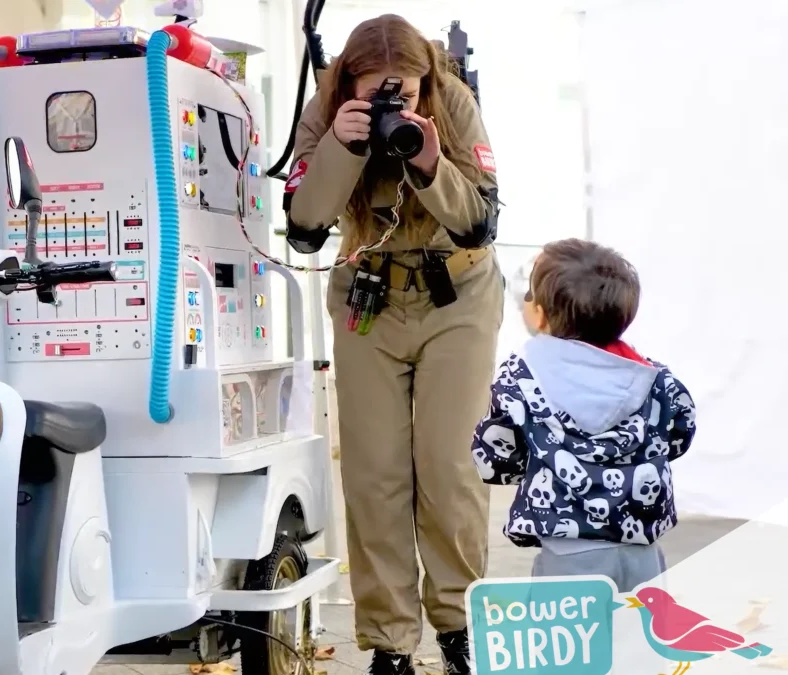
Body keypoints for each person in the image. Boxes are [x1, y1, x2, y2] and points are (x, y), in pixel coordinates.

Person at [282, 14, 504, 675]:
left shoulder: (452, 100)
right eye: (376, 93)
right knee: (374, 475)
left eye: (401, 94)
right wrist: (340, 150)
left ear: (425, 80)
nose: (390, 107)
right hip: (368, 300)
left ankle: (460, 624)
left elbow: (478, 223)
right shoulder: (326, 104)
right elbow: (303, 228)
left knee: (449, 467)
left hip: (455, 295)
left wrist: (430, 159)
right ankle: (389, 643)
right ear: (350, 79)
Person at [470, 239, 697, 592]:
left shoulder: (521, 376)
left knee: (567, 646)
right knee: (642, 640)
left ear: (541, 314)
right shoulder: (656, 380)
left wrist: (530, 463)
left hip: (566, 550)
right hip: (642, 548)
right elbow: (680, 435)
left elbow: (494, 459)